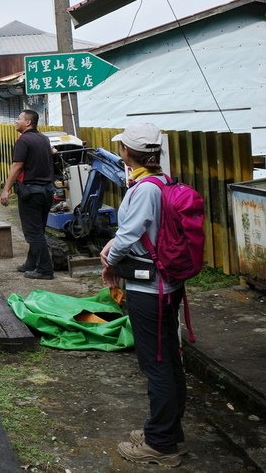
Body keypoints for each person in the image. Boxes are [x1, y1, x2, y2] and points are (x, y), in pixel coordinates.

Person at [100, 122, 186, 467]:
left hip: (150, 289)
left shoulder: (144, 189)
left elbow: (128, 234)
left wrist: (108, 261)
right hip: (167, 285)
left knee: (157, 364)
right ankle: (164, 431)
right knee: (169, 360)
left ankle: (162, 443)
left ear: (126, 152)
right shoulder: (163, 181)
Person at [0, 109, 55, 280]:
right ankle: (31, 264)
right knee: (38, 229)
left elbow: (17, 166)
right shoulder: (43, 139)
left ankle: (45, 269)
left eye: (19, 119)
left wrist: (6, 189)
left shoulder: (24, 140)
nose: (16, 121)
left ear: (28, 122)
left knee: (33, 232)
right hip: (47, 191)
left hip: (31, 192)